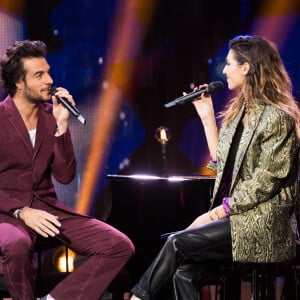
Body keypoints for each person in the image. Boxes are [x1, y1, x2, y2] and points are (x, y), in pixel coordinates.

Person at [130, 35, 300, 300]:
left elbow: (264, 182)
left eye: (229, 63)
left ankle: (138, 297)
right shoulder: (239, 111)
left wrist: (216, 214)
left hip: (264, 223)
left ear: (247, 67)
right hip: (239, 218)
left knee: (176, 242)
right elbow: (223, 165)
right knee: (183, 273)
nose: (223, 70)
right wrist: (208, 117)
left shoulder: (277, 118)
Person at [0, 40, 134, 300]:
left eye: (48, 72)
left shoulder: (51, 116)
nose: (49, 80)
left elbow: (64, 175)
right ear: (19, 82)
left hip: (47, 208)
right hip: (6, 211)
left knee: (119, 246)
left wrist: (62, 127)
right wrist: (20, 211)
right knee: (17, 245)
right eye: (39, 75)